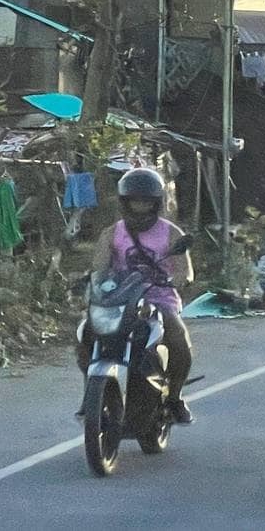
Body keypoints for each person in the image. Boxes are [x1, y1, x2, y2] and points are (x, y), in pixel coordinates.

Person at [83, 168, 195, 424]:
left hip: (159, 300)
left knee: (178, 338)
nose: (140, 207)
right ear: (125, 202)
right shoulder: (111, 233)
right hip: (121, 301)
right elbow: (99, 268)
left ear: (156, 204)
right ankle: (91, 394)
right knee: (85, 334)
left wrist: (179, 279)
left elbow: (184, 270)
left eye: (146, 202)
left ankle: (175, 398)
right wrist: (93, 283)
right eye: (135, 201)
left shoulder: (171, 233)